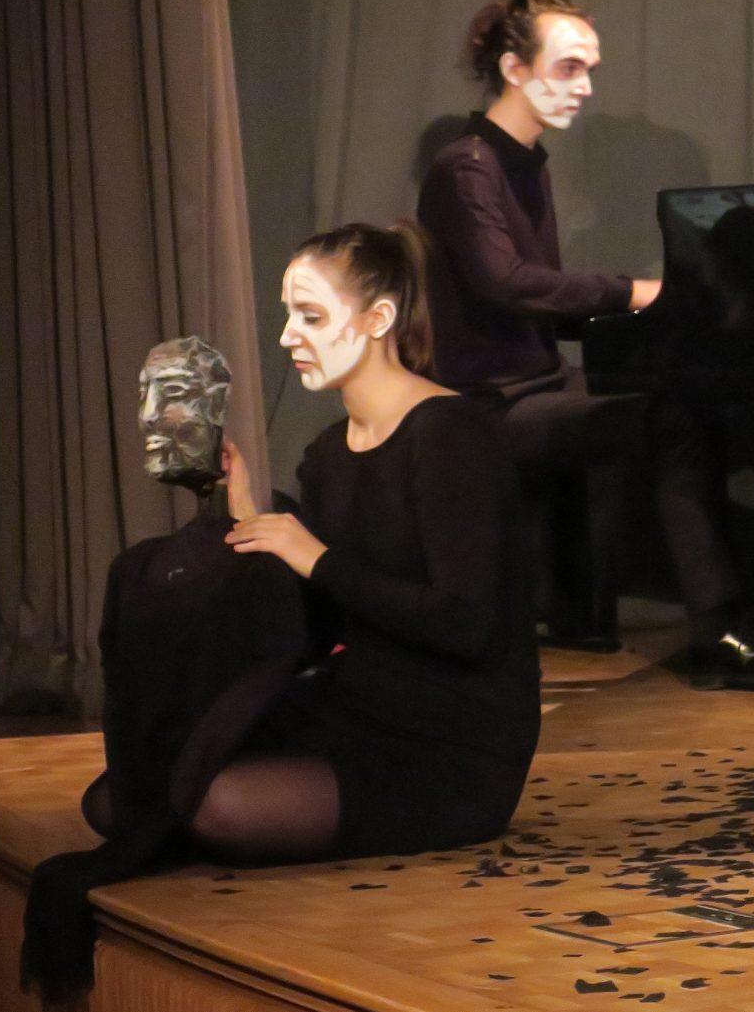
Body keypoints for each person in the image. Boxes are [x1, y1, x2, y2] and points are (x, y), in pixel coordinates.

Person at [415, 0, 754, 684]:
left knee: (684, 396)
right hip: (489, 402)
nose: (586, 87)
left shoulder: (523, 163)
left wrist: (659, 312)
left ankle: (712, 612)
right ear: (514, 68)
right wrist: (632, 292)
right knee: (672, 421)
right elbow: (510, 283)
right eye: (569, 68)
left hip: (536, 381)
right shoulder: (466, 168)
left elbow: (534, 295)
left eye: (589, 70)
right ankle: (717, 627)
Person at [209, 221, 541, 861]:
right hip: (356, 705)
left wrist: (316, 557)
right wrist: (251, 519)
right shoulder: (326, 455)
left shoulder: (449, 435)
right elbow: (327, 619)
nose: (287, 336)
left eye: (310, 316)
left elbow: (465, 623)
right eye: (288, 315)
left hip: (452, 739)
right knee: (131, 793)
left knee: (221, 807)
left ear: (379, 318)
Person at [21, 336, 309, 1002]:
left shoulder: (270, 538)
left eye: (173, 395)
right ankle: (173, 811)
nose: (152, 414)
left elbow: (278, 658)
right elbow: (125, 697)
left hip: (240, 758)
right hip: (175, 768)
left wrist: (249, 516)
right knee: (105, 804)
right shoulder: (136, 568)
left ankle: (183, 807)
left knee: (200, 809)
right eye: (145, 397)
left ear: (216, 411)